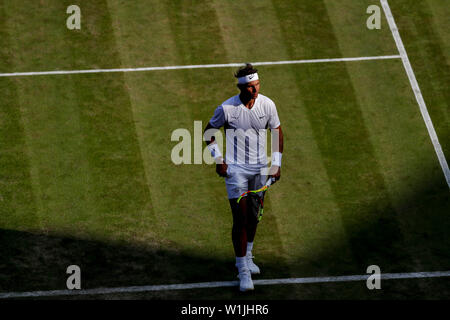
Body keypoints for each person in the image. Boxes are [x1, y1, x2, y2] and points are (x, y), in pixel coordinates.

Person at [203, 63, 284, 291]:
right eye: (250, 87)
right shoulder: (227, 109)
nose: (255, 90)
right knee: (240, 219)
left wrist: (276, 164)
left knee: (254, 216)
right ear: (241, 88)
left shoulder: (267, 105)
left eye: (257, 85)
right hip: (236, 171)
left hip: (260, 169)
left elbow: (277, 131)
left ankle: (248, 255)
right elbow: (209, 132)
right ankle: (243, 270)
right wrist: (219, 159)